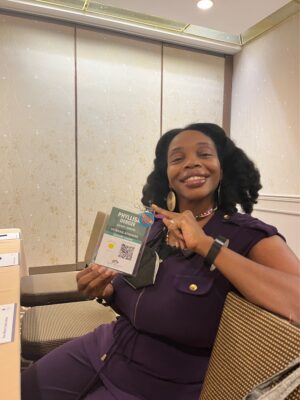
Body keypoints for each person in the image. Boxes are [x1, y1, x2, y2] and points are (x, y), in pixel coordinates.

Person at [22, 123, 300, 400]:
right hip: (104, 347)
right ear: (167, 176)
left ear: (223, 167)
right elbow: (128, 288)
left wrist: (206, 245)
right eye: (177, 158)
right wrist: (104, 290)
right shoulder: (152, 224)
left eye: (204, 154)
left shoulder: (246, 235)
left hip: (157, 385)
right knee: (19, 389)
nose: (191, 163)